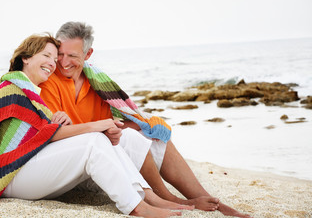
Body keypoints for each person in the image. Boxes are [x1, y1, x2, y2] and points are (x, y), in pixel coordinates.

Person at [39, 22, 252, 218]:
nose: (64, 62)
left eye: (72, 55)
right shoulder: (49, 82)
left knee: (155, 137)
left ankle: (210, 201)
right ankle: (170, 199)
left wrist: (144, 125)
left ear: (88, 54)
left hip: (103, 151)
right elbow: (59, 135)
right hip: (79, 163)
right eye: (60, 54)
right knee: (132, 138)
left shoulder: (96, 82)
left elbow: (111, 126)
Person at [0, 33, 194, 217]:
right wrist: (97, 125)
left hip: (27, 168)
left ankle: (148, 196)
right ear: (26, 58)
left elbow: (42, 132)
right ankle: (137, 207)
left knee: (105, 139)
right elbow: (45, 136)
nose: (52, 62)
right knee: (93, 141)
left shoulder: (32, 92)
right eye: (46, 55)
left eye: (53, 57)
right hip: (9, 175)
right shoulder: (13, 89)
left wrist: (59, 123)